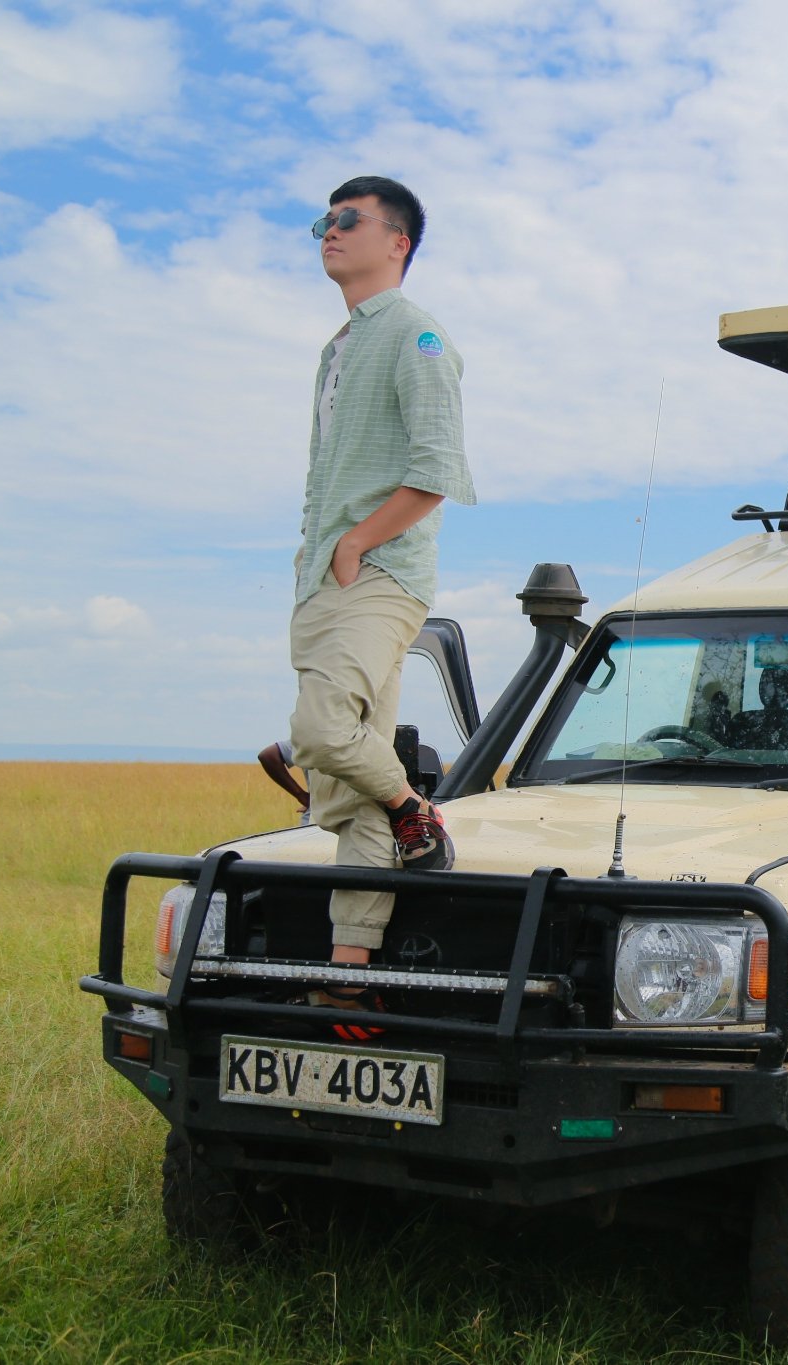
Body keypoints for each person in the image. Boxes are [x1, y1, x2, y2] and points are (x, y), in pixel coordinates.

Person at [289, 175, 476, 983]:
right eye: (323, 221)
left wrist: (357, 543)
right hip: (323, 581)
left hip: (379, 573)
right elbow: (319, 477)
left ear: (396, 241)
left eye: (347, 220)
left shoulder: (416, 337)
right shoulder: (338, 348)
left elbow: (438, 469)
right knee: (344, 793)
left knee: (322, 729)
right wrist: (318, 556)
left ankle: (415, 810)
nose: (328, 231)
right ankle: (350, 971)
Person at [256, 739, 312, 823]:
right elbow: (268, 755)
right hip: (319, 822)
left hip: (313, 819)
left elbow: (268, 755)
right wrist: (302, 796)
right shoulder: (318, 740)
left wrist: (304, 797)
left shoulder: (311, 740)